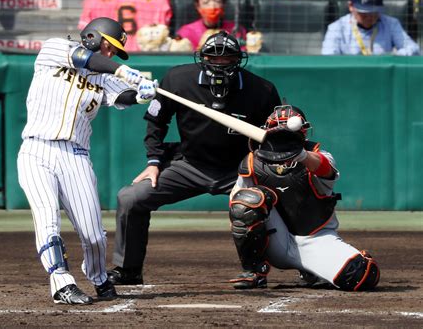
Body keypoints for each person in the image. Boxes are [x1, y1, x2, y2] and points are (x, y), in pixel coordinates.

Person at [108, 30, 282, 285]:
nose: (220, 63)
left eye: (227, 58)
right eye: (213, 57)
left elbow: (273, 137)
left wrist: (266, 171)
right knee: (131, 197)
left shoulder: (261, 90)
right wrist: (154, 162)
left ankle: (260, 269)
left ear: (239, 59)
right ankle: (128, 270)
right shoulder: (178, 80)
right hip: (189, 164)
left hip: (239, 169)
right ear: (202, 58)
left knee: (275, 200)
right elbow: (156, 121)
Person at [17, 17, 158, 305]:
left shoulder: (104, 77)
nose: (111, 54)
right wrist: (123, 70)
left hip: (76, 156)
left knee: (93, 234)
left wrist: (143, 95)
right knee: (48, 220)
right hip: (36, 150)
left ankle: (98, 276)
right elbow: (85, 59)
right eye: (109, 46)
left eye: (115, 51)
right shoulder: (53, 49)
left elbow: (124, 95)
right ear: (93, 37)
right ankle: (61, 283)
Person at [228, 105, 380, 291]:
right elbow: (236, 206)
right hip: (276, 240)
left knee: (361, 275)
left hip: (316, 239)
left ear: (304, 131)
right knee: (246, 202)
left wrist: (300, 154)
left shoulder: (319, 156)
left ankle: (312, 269)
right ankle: (254, 271)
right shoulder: (252, 161)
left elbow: (324, 168)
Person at [322, 0, 420, 56]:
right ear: (351, 6)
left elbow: (413, 48)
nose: (369, 18)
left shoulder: (391, 24)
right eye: (364, 13)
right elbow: (328, 58)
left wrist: (393, 57)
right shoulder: (337, 28)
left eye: (373, 13)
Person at [176, 0, 247, 50]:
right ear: (198, 6)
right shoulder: (186, 33)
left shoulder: (236, 30)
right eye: (206, 2)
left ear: (223, 4)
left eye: (217, 1)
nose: (212, 6)